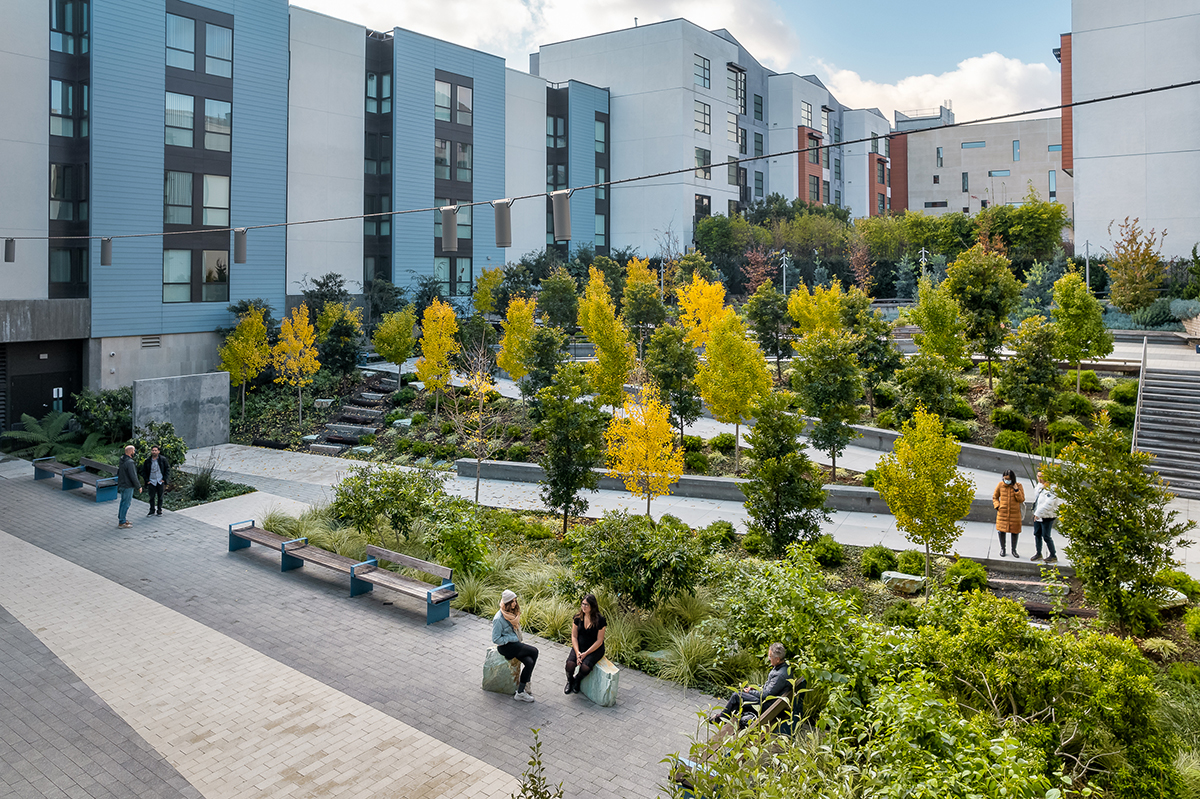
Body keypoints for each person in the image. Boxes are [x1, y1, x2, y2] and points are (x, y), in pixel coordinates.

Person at [708, 643, 798, 726]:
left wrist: (750, 692)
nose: (769, 659)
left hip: (767, 706)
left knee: (736, 696)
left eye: (770, 657)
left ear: (777, 659)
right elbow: (770, 689)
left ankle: (721, 718)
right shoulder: (783, 668)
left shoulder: (779, 675)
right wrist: (755, 688)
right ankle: (723, 718)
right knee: (737, 700)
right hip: (772, 703)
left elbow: (767, 694)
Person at [493, 589, 538, 702]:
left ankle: (521, 692)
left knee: (529, 662)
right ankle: (524, 688)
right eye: (513, 601)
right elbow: (495, 639)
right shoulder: (499, 618)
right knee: (534, 651)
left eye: (515, 600)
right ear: (507, 603)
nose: (515, 603)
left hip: (515, 645)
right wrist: (511, 638)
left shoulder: (511, 613)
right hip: (506, 647)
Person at [564, 594, 607, 695]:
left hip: (594, 648)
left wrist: (585, 654)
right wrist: (578, 652)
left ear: (592, 606)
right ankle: (570, 681)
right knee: (570, 665)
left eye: (586, 605)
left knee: (585, 667)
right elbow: (574, 637)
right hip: (579, 646)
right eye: (582, 604)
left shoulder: (600, 620)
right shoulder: (578, 618)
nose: (583, 607)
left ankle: (577, 680)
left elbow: (599, 641)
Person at [993, 468, 1026, 558]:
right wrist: (997, 506)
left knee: (1015, 532)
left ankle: (1014, 550)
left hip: (1015, 514)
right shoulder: (1000, 485)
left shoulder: (1018, 485)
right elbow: (995, 497)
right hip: (1002, 513)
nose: (1006, 481)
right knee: (1001, 531)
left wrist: (1016, 491)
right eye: (1005, 479)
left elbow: (1021, 499)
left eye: (1008, 479)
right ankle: (1003, 549)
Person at [1030, 470, 1060, 564]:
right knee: (1037, 534)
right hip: (1038, 515)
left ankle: (1053, 555)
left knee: (1046, 536)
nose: (1039, 478)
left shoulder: (1053, 489)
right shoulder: (1039, 486)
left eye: (1041, 476)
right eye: (1038, 476)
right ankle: (1038, 553)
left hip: (1047, 516)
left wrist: (1038, 513)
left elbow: (1048, 504)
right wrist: (1036, 513)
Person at [140, 445, 171, 516]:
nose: (154, 452)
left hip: (160, 481)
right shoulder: (148, 461)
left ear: (158, 451)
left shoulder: (163, 460)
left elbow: (167, 469)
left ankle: (159, 510)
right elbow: (143, 471)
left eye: (155, 450)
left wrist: (164, 479)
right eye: (153, 450)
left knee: (160, 497)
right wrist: (147, 480)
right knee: (151, 497)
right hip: (152, 481)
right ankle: (151, 510)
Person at [116, 445, 141, 529]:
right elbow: (133, 476)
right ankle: (122, 522)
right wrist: (139, 486)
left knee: (123, 502)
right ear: (130, 452)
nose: (134, 452)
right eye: (133, 450)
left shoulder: (122, 459)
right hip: (127, 485)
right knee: (126, 503)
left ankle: (122, 519)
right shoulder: (130, 462)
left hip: (122, 484)